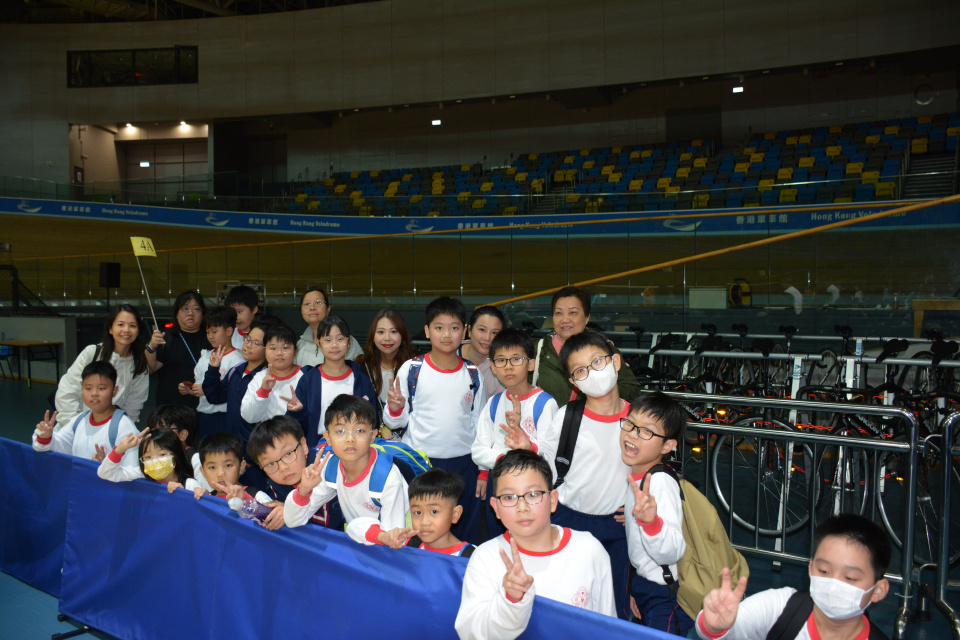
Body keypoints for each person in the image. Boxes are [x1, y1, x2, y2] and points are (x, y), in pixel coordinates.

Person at [454, 449, 615, 640]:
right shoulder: (485, 558)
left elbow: (608, 628)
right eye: (509, 497)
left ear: (553, 500)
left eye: (532, 494)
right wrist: (510, 600)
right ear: (495, 507)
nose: (522, 507)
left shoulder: (589, 550)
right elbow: (471, 634)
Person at [535, 330, 633, 619]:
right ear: (573, 381)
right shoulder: (567, 416)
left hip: (617, 526)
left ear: (615, 362)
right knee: (567, 598)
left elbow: (650, 470)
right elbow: (546, 465)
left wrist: (637, 504)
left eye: (598, 362)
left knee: (613, 602)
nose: (592, 373)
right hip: (569, 519)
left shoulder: (638, 420)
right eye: (580, 370)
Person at [382, 296, 485, 544]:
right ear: (427, 331)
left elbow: (480, 424)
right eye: (439, 327)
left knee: (463, 528)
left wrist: (483, 470)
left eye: (454, 327)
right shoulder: (412, 369)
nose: (447, 334)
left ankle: (461, 566)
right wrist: (395, 408)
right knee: (422, 528)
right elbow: (395, 423)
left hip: (464, 464)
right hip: (421, 462)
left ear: (464, 331)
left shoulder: (473, 373)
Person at [695, 514, 892, 640]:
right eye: (824, 571)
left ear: (878, 590)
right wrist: (714, 626)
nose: (833, 584)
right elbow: (737, 627)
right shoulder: (783, 608)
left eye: (850, 578)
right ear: (810, 569)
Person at [284, 394, 409, 546]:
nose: (350, 439)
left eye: (360, 430)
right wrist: (303, 490)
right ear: (327, 438)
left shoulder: (387, 478)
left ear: (373, 436)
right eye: (340, 431)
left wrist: (359, 530)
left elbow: (395, 541)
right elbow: (293, 520)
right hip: (361, 540)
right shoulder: (330, 467)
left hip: (402, 542)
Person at [472, 328, 557, 537]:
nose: (508, 366)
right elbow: (478, 450)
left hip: (532, 488)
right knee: (497, 539)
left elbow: (551, 456)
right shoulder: (494, 403)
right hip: (499, 483)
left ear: (531, 363)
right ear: (492, 367)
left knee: (530, 540)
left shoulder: (545, 404)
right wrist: (502, 460)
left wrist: (528, 447)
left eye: (516, 359)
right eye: (501, 360)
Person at [620, 392, 690, 635]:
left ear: (668, 445)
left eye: (647, 431)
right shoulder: (638, 475)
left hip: (665, 594)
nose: (632, 434)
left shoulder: (659, 482)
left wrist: (651, 523)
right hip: (648, 584)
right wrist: (636, 585)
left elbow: (672, 551)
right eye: (630, 424)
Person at [531, 286, 641, 408]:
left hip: (590, 418)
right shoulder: (538, 349)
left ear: (587, 317)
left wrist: (602, 389)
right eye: (558, 313)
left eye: (573, 313)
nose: (565, 319)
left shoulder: (603, 349)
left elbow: (633, 391)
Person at [201, 316, 273, 488]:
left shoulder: (266, 378)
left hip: (255, 455)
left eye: (256, 343)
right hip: (234, 449)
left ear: (268, 349)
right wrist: (213, 370)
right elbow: (215, 397)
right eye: (248, 339)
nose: (248, 345)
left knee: (256, 494)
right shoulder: (236, 370)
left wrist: (252, 456)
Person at [286, 316, 378, 447]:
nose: (334, 345)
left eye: (340, 339)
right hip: (318, 448)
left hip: (355, 447)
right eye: (328, 340)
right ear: (318, 343)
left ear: (349, 341)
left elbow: (372, 420)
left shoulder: (361, 379)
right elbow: (295, 428)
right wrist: (297, 412)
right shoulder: (308, 380)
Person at [55, 304, 150, 430]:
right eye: (120, 324)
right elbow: (68, 390)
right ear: (110, 329)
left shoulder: (139, 365)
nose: (126, 330)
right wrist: (75, 427)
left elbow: (134, 404)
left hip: (109, 432)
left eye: (132, 325)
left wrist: (120, 430)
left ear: (138, 331)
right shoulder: (92, 353)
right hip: (75, 428)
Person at [33, 362, 140, 470]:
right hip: (80, 480)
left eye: (101, 388)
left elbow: (132, 471)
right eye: (88, 388)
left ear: (114, 390)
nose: (94, 393)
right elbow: (59, 446)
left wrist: (107, 466)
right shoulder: (79, 421)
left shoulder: (124, 428)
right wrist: (45, 437)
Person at [247, 415, 341, 529]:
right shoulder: (275, 481)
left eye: (288, 454)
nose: (283, 468)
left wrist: (287, 512)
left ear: (303, 445)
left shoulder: (328, 468)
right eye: (270, 464)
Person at [192, 432, 283, 530]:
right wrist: (201, 501)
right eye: (212, 467)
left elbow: (274, 520)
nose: (220, 473)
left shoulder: (256, 496)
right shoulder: (208, 498)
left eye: (228, 465)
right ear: (203, 472)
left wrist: (244, 500)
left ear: (241, 467)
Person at [187, 306, 244, 442]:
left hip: (225, 415)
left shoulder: (238, 360)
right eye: (207, 332)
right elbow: (199, 380)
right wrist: (192, 388)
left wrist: (205, 389)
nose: (210, 336)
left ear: (228, 331)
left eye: (214, 331)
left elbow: (235, 392)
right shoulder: (206, 356)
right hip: (205, 415)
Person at [146, 291, 211, 410]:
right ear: (176, 313)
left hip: (204, 406)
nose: (190, 313)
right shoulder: (165, 337)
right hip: (171, 404)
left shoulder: (211, 338)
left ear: (203, 313)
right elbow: (151, 369)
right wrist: (151, 347)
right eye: (185, 308)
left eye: (196, 309)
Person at [97, 427, 200, 493]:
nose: (155, 461)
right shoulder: (141, 475)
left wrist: (183, 495)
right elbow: (105, 473)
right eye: (148, 457)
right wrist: (120, 450)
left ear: (176, 455)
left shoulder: (189, 485)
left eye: (162, 454)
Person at [399, 469, 475, 557]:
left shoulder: (473, 558)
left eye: (434, 512)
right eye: (418, 512)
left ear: (455, 514)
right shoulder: (405, 545)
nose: (424, 522)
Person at [240, 323, 306, 425]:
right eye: (273, 348)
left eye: (285, 347)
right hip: (268, 434)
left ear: (295, 350)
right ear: (265, 350)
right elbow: (249, 417)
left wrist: (300, 410)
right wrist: (263, 391)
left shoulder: (306, 376)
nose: (279, 353)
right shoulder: (260, 378)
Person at [357, 309, 415, 422]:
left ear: (402, 335)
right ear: (373, 336)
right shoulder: (363, 368)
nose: (387, 338)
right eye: (381, 332)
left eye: (393, 331)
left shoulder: (414, 367)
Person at [294, 287, 363, 366]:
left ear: (328, 309)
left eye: (318, 303)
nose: (312, 308)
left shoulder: (346, 341)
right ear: (301, 311)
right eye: (307, 304)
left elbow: (360, 370)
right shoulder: (299, 345)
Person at [145, 404, 207, 490]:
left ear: (182, 435)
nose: (158, 436)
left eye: (163, 430)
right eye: (154, 431)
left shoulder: (195, 458)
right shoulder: (151, 457)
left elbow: (204, 493)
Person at [459, 306, 506, 407]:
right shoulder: (449, 354)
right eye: (482, 330)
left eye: (494, 333)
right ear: (469, 330)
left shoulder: (502, 367)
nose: (487, 338)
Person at [224, 285, 260, 351]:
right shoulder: (230, 333)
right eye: (233, 312)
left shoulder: (263, 334)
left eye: (240, 311)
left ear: (254, 310)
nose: (236, 317)